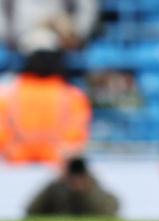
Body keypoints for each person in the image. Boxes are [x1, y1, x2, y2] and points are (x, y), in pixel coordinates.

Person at [0, 29, 91, 165]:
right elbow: (75, 139)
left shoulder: (6, 95)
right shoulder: (74, 97)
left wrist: (17, 152)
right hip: (56, 166)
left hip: (15, 166)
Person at [26, 156, 119, 216]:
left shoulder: (93, 187)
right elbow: (32, 210)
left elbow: (110, 210)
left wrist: (84, 192)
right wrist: (54, 185)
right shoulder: (57, 188)